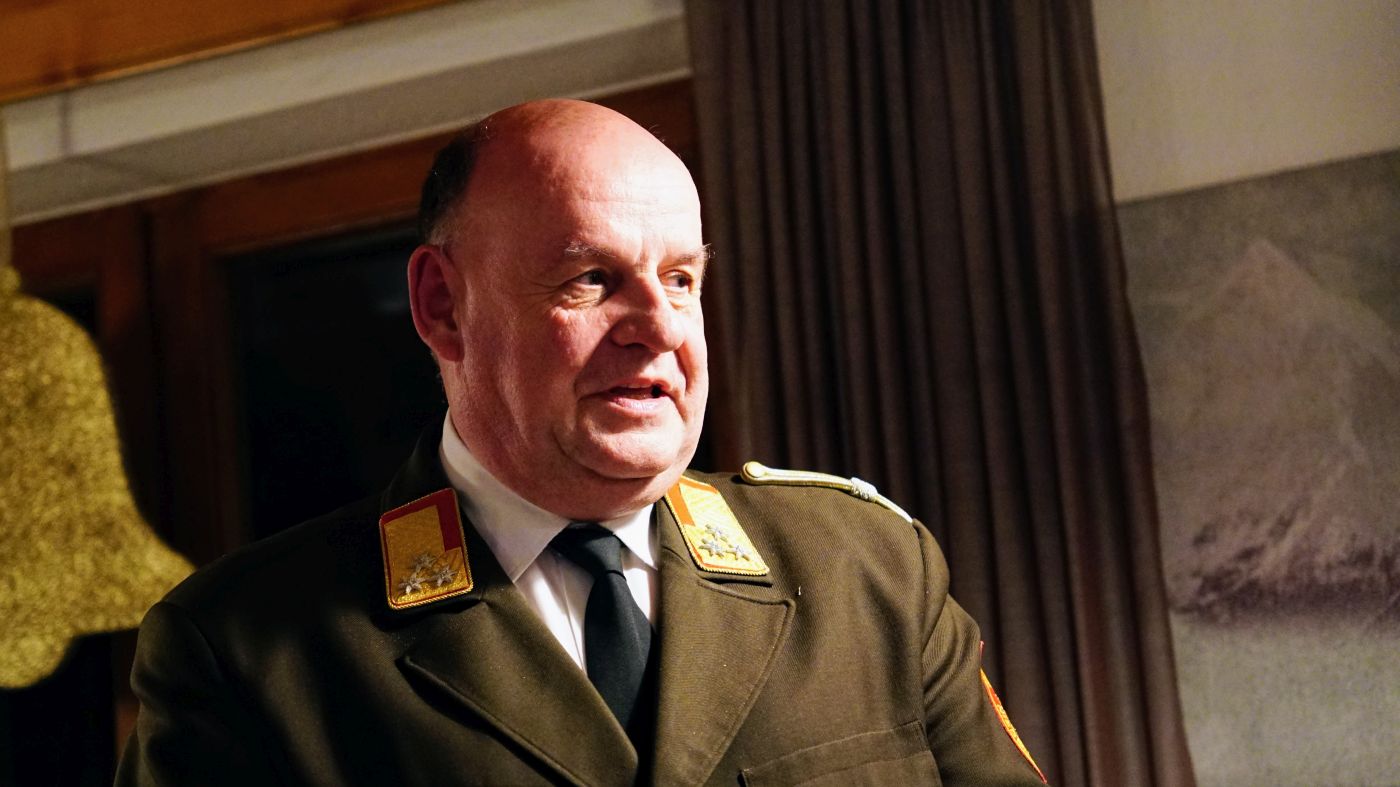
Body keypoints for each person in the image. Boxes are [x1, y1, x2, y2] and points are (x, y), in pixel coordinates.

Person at [117, 99, 1046, 786]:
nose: (661, 326)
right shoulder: (246, 652)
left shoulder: (866, 569)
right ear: (443, 306)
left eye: (681, 280)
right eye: (592, 278)